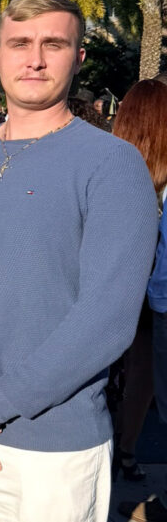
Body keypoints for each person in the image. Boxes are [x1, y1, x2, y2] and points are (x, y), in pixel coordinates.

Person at [0, 0, 158, 522]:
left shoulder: (113, 165)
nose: (34, 58)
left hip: (52, 446)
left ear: (78, 57)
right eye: (19, 43)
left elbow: (108, 320)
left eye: (53, 44)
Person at [108, 80, 167, 488]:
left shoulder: (111, 165)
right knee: (145, 372)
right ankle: (127, 449)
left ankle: (112, 448)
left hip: (114, 287)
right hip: (154, 294)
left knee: (105, 371)